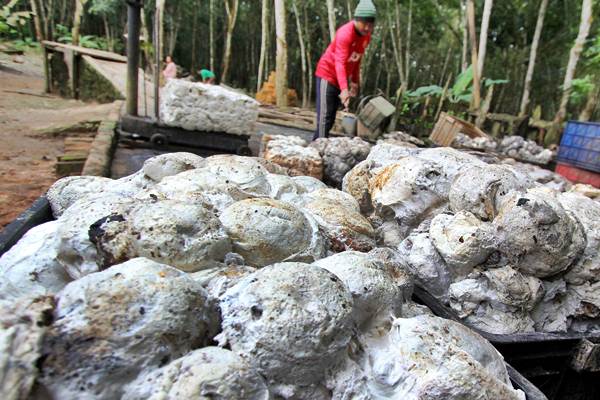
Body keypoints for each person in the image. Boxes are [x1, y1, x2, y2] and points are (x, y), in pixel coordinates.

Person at [313, 0, 376, 140]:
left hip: (340, 80)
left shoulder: (366, 36)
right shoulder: (345, 34)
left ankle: (318, 150)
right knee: (324, 119)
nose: (367, 28)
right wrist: (344, 89)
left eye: (370, 25)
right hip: (327, 75)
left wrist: (354, 82)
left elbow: (357, 59)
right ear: (356, 20)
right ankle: (316, 152)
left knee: (331, 119)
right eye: (365, 24)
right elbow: (339, 62)